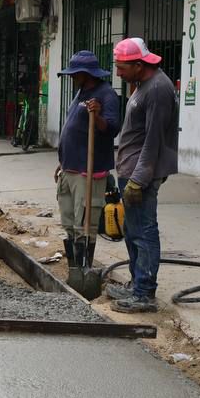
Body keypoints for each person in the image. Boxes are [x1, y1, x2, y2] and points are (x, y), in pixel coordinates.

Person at [108, 37, 178, 313]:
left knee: (144, 231)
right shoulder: (144, 84)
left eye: (122, 67)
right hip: (132, 169)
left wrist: (138, 179)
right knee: (132, 229)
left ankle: (144, 294)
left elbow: (153, 140)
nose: (118, 73)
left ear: (138, 65)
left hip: (141, 173)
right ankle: (137, 283)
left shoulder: (158, 89)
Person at [54, 51, 121, 281]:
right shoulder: (81, 91)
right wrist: (62, 162)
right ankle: (74, 270)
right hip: (69, 168)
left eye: (75, 74)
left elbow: (111, 129)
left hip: (88, 172)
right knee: (69, 221)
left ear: (85, 74)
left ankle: (85, 271)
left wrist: (98, 114)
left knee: (86, 224)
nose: (72, 78)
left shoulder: (106, 95)